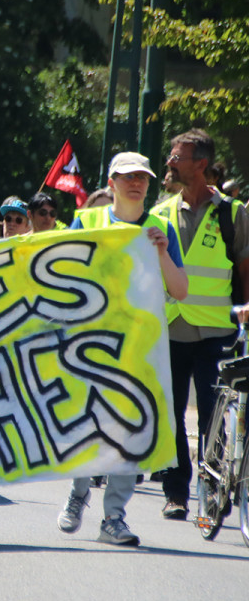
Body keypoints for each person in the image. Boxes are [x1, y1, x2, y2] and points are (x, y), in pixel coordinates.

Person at [57, 152, 188, 545]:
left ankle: (114, 516)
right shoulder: (88, 220)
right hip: (90, 347)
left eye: (143, 178)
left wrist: (163, 252)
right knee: (90, 429)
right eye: (128, 177)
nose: (137, 184)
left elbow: (180, 291)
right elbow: (61, 275)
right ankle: (79, 492)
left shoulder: (161, 227)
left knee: (132, 432)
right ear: (111, 182)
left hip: (140, 351)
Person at [152, 129, 249, 520]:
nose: (170, 163)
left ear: (201, 164)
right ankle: (175, 493)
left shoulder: (233, 213)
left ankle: (213, 489)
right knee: (170, 413)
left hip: (216, 331)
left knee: (213, 415)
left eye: (178, 157)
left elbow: (244, 266)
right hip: (170, 329)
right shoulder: (159, 212)